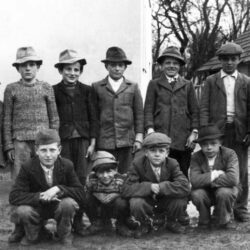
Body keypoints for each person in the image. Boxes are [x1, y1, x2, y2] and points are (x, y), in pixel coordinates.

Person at [8, 129, 85, 247]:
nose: (48, 155)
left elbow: (80, 192)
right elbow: (14, 196)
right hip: (37, 208)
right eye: (43, 150)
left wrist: (59, 189)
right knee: (23, 211)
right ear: (36, 150)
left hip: (58, 206)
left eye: (52, 150)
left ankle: (63, 234)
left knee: (68, 204)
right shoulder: (27, 167)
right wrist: (40, 196)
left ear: (59, 150)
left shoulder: (67, 165)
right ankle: (37, 233)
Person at [200, 42, 250, 222]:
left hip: (239, 131)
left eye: (233, 59)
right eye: (226, 59)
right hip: (216, 133)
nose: (229, 63)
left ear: (239, 60)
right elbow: (204, 107)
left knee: (241, 171)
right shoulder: (211, 81)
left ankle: (241, 208)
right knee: (217, 168)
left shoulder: (245, 81)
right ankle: (220, 208)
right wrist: (205, 132)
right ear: (220, 60)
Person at [53, 49, 98, 232]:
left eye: (76, 69)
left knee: (80, 181)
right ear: (61, 71)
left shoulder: (87, 90)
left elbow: (94, 118)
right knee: (63, 178)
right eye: (68, 69)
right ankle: (63, 221)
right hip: (63, 142)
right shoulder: (54, 90)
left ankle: (78, 221)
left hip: (83, 142)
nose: (72, 73)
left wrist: (93, 143)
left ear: (80, 71)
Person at [3, 47, 59, 179]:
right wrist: (9, 146)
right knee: (20, 178)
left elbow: (54, 118)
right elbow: (6, 120)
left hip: (43, 142)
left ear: (38, 67)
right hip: (20, 143)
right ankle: (20, 199)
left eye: (32, 65)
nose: (28, 68)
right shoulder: (11, 89)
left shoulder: (46, 87)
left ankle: (45, 199)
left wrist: (54, 142)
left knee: (44, 177)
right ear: (18, 68)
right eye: (23, 65)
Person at [122, 132, 190, 238]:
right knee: (136, 202)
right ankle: (145, 224)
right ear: (145, 152)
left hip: (165, 200)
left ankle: (171, 221)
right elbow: (126, 189)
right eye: (152, 150)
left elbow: (185, 186)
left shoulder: (172, 163)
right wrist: (149, 187)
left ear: (167, 153)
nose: (157, 154)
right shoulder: (137, 164)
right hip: (147, 201)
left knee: (180, 200)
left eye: (161, 151)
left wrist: (162, 187)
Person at [144, 46, 199, 178]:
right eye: (167, 63)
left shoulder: (187, 85)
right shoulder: (154, 84)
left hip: (183, 139)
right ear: (161, 66)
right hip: (160, 135)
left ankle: (182, 197)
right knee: (160, 172)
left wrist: (194, 132)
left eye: (175, 63)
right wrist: (150, 130)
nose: (171, 66)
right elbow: (148, 110)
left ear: (179, 66)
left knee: (182, 172)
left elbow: (195, 111)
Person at [92, 46, 144, 174]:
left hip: (127, 140)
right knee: (106, 174)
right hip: (105, 140)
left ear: (125, 67)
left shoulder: (133, 86)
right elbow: (93, 115)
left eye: (120, 65)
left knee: (126, 174)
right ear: (106, 66)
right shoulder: (97, 87)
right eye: (113, 65)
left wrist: (138, 137)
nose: (117, 68)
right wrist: (93, 141)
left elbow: (139, 114)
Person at [190, 124, 239, 229]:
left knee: (224, 192)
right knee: (197, 194)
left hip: (225, 190)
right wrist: (215, 174)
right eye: (204, 144)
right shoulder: (196, 157)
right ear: (200, 145)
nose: (209, 147)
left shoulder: (230, 154)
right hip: (205, 192)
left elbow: (233, 179)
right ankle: (204, 221)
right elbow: (194, 180)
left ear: (220, 143)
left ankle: (225, 220)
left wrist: (206, 180)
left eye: (213, 143)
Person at [82, 151, 132, 237]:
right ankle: (97, 223)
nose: (105, 176)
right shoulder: (91, 180)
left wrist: (116, 195)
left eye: (109, 171)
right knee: (86, 198)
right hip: (100, 207)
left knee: (122, 203)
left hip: (115, 206)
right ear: (95, 173)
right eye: (101, 172)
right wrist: (94, 195)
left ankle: (121, 224)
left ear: (115, 170)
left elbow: (128, 195)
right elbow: (87, 194)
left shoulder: (121, 180)